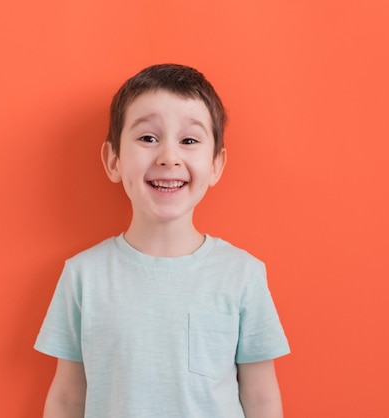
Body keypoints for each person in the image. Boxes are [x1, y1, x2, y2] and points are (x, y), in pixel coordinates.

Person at [35, 63, 290, 418]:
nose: (169, 158)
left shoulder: (243, 274)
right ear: (113, 160)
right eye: (148, 138)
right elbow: (67, 398)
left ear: (216, 164)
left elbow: (261, 398)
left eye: (189, 140)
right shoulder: (83, 276)